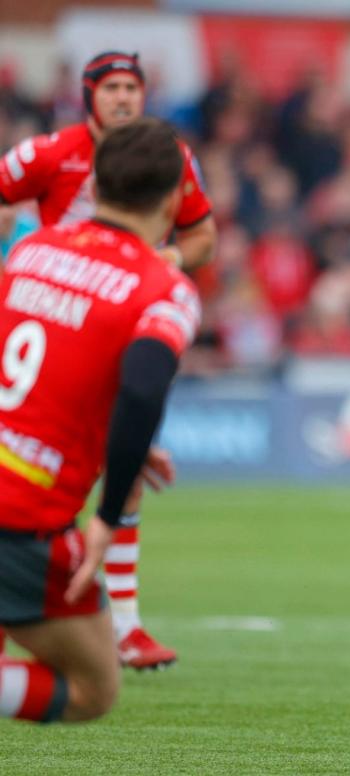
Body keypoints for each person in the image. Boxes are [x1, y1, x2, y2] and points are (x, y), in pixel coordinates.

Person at [0, 51, 216, 669]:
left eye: (133, 88)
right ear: (89, 96)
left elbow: (204, 238)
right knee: (93, 691)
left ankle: (125, 622)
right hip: (59, 312)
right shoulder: (45, 153)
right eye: (112, 88)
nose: (123, 98)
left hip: (87, 310)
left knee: (112, 457)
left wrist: (156, 266)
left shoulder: (170, 161)